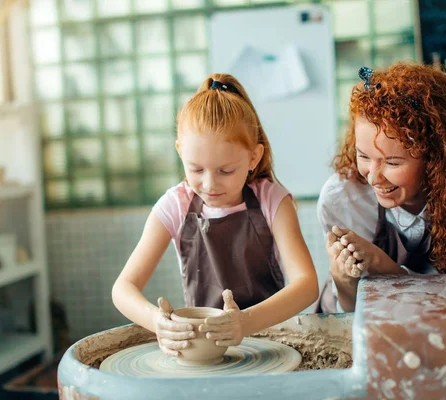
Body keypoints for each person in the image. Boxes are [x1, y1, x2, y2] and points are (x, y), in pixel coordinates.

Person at [112, 73, 318, 357]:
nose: (209, 184)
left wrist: (244, 323)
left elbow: (307, 285)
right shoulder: (175, 206)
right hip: (204, 351)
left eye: (226, 171)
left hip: (271, 345)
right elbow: (123, 288)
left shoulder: (272, 200)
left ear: (253, 158)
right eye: (196, 169)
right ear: (180, 151)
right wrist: (158, 323)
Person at [316, 62, 446, 313]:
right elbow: (350, 314)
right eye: (363, 156)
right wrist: (343, 277)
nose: (374, 177)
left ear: (436, 159)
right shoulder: (343, 199)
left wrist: (383, 266)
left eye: (392, 162)